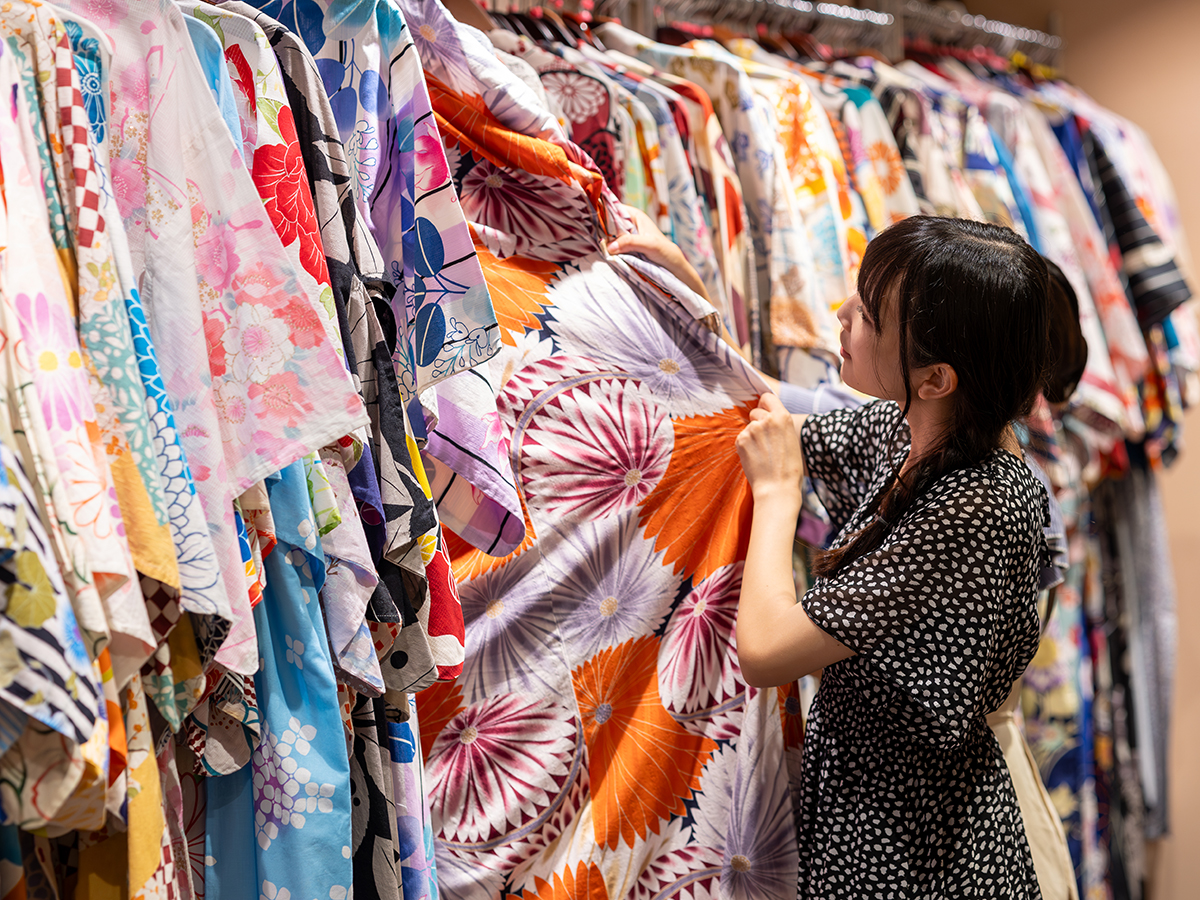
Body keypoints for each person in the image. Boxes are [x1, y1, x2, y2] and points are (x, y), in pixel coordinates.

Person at [734, 216, 1052, 899]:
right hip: (875, 822)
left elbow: (763, 648)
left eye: (869, 313)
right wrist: (680, 292)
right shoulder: (924, 430)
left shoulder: (975, 509)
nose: (839, 314)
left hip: (912, 852)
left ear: (936, 377)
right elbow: (770, 414)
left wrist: (778, 492)